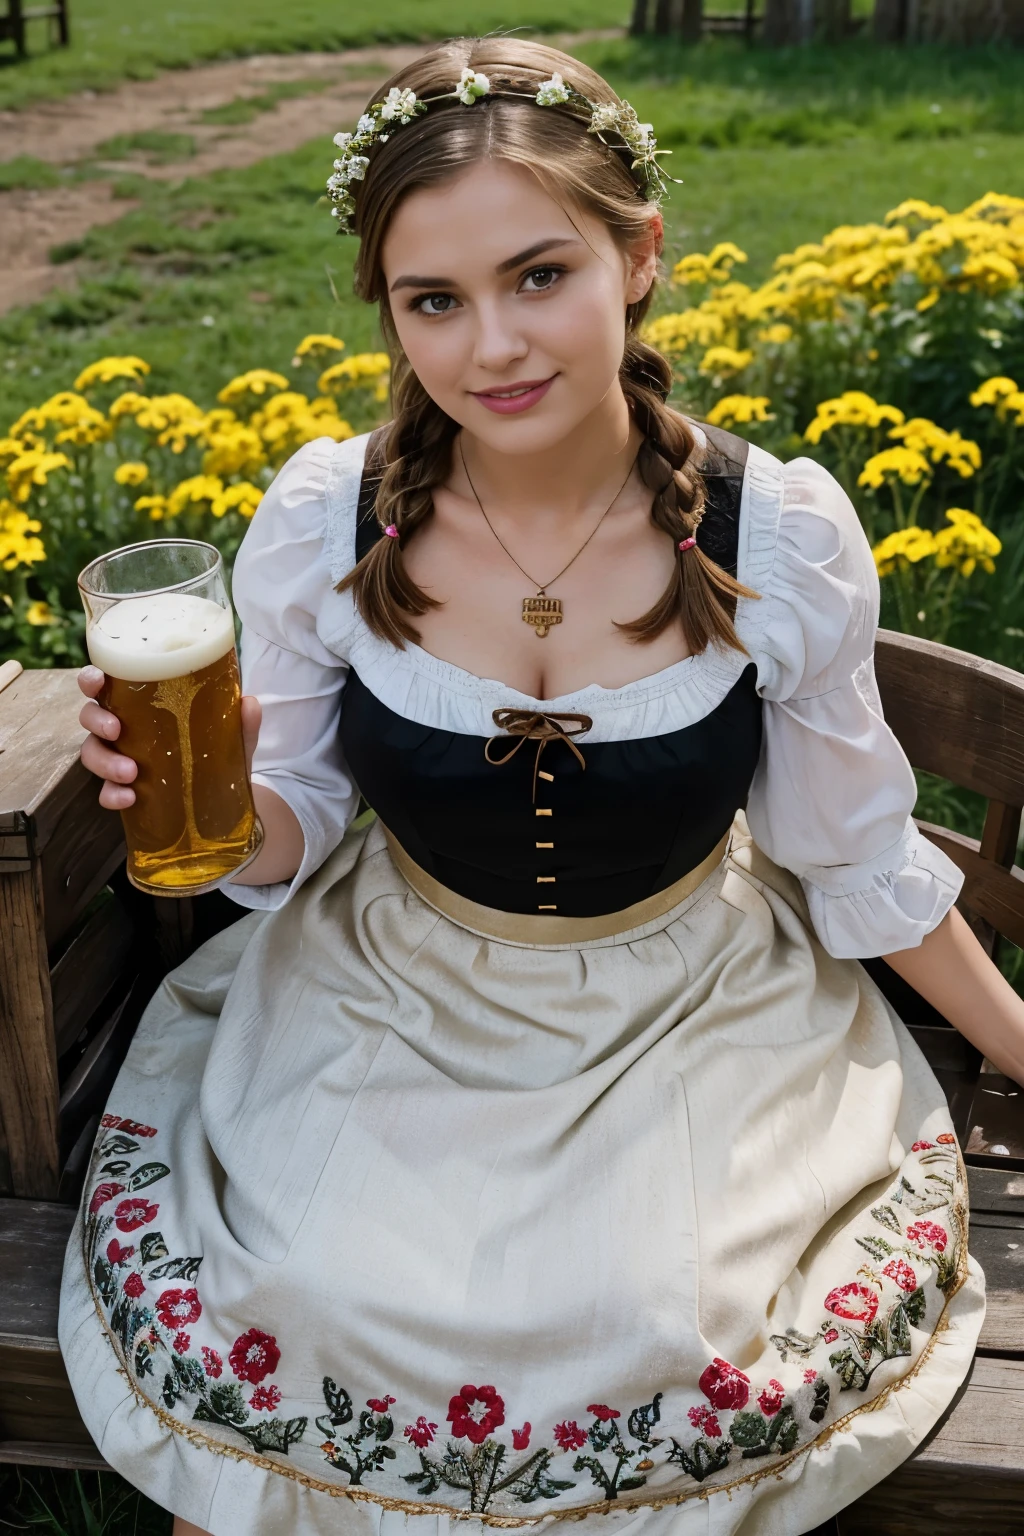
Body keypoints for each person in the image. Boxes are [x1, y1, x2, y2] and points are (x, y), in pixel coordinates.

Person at [59, 36, 1023, 1536]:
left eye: (538, 275)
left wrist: (1021, 1044)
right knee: (315, 1292)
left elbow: (855, 860)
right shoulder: (335, 517)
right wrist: (223, 802)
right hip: (400, 987)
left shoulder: (773, 536)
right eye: (432, 300)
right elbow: (292, 833)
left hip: (689, 1002)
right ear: (387, 308)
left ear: (637, 257)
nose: (491, 346)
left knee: (659, 1313)